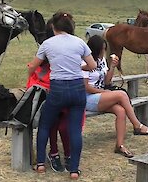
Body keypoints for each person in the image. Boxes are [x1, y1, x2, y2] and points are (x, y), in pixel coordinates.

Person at [27, 11, 97, 180]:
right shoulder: (80, 42)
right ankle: (74, 169)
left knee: (45, 124)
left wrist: (30, 73)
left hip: (57, 89)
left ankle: (42, 164)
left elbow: (33, 66)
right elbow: (92, 65)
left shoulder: (47, 44)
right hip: (77, 89)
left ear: (53, 26)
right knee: (74, 130)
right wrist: (78, 68)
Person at [82, 35, 148, 158]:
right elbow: (86, 87)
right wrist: (105, 92)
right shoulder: (85, 62)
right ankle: (137, 125)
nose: (104, 52)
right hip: (87, 98)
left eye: (105, 49)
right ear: (95, 50)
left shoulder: (102, 61)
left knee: (121, 111)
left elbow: (106, 82)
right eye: (102, 49)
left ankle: (119, 145)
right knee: (121, 94)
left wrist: (112, 67)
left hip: (100, 96)